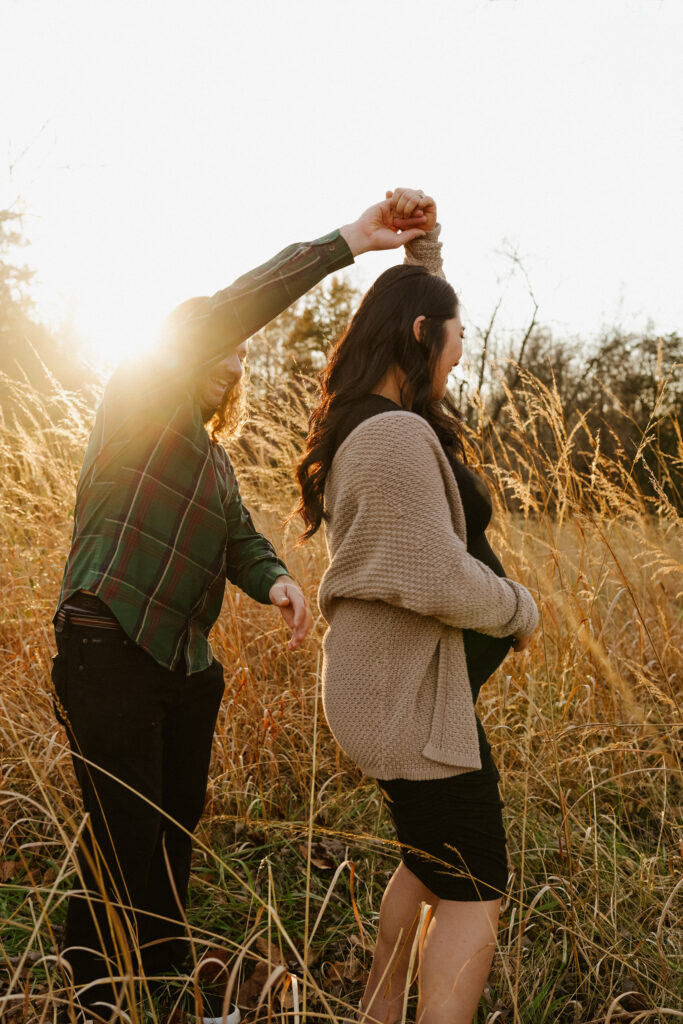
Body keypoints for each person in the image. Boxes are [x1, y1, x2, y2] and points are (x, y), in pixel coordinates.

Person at [50, 191, 430, 1021]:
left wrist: (278, 581)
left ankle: (131, 986)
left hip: (184, 670)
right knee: (126, 834)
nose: (231, 362)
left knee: (169, 828)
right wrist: (343, 244)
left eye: (242, 357)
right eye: (221, 348)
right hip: (107, 644)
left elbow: (239, 541)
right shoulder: (138, 408)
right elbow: (226, 309)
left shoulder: (212, 462)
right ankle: (120, 997)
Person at [296, 189, 539, 1024]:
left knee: (427, 862)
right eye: (455, 338)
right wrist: (516, 608)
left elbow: (417, 310)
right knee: (475, 886)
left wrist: (422, 251)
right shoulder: (395, 437)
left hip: (396, 696)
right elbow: (434, 578)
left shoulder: (374, 419)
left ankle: (378, 1012)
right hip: (407, 708)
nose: (459, 357)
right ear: (418, 338)